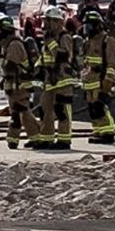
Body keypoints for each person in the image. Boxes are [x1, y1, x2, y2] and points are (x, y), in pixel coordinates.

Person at [33, 10, 77, 148]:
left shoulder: (64, 37)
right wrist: (38, 67)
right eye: (45, 20)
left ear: (58, 22)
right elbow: (44, 57)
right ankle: (47, 138)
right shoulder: (48, 37)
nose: (46, 24)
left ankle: (64, 140)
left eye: (49, 21)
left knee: (62, 110)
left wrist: (51, 43)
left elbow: (64, 56)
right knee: (45, 109)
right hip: (49, 80)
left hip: (63, 79)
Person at [79, 7, 115, 145]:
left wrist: (108, 82)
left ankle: (108, 133)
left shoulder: (107, 41)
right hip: (89, 82)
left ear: (98, 25)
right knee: (92, 109)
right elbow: (85, 62)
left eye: (89, 26)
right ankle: (98, 131)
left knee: (100, 107)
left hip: (100, 81)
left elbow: (112, 64)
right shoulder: (88, 42)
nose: (87, 29)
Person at [0, 16, 35, 149]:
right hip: (14, 86)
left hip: (20, 86)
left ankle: (16, 139)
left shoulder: (14, 45)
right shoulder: (9, 45)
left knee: (20, 112)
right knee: (20, 113)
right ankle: (30, 137)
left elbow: (10, 67)